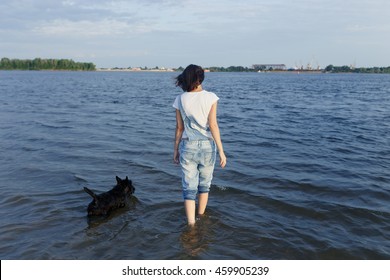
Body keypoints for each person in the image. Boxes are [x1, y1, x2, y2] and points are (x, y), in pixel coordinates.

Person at [173, 64, 227, 226]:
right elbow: (213, 125)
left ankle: (191, 225)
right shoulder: (211, 97)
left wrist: (175, 150)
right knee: (205, 185)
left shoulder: (180, 99)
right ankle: (201, 217)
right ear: (201, 78)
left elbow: (180, 128)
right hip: (207, 147)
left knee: (189, 187)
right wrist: (222, 152)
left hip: (188, 146)